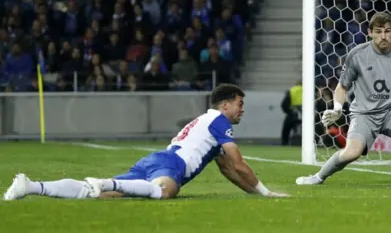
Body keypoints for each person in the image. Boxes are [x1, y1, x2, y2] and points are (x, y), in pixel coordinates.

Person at [3, 84, 289, 200]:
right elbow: (238, 163)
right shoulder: (219, 122)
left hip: (155, 160)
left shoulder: (205, 122)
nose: (242, 109)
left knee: (94, 195)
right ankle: (107, 182)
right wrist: (267, 192)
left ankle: (30, 186)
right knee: (165, 192)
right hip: (171, 164)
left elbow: (228, 170)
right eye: (239, 103)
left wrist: (256, 194)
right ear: (225, 105)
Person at [295, 12, 391, 187]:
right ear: (370, 32)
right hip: (364, 115)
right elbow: (342, 87)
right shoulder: (357, 55)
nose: (383, 36)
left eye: (387, 31)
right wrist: (337, 108)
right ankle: (318, 177)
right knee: (351, 152)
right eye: (378, 31)